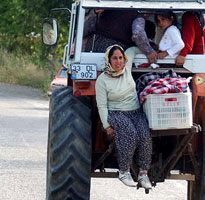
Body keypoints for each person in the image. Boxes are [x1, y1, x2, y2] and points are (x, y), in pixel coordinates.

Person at [95, 45, 152, 189]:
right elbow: (101, 106)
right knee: (130, 134)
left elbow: (133, 50)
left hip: (135, 111)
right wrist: (107, 126)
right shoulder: (102, 80)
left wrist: (152, 50)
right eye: (114, 58)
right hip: (116, 113)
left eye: (120, 58)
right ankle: (124, 171)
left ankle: (143, 174)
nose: (118, 61)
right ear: (108, 60)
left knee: (144, 134)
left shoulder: (126, 69)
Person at [83, 9, 157, 63]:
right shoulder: (136, 16)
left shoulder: (107, 9)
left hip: (94, 47)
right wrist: (149, 51)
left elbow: (88, 26)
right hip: (116, 50)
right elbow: (138, 33)